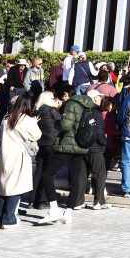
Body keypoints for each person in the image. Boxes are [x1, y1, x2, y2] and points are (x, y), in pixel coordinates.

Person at [37, 88, 93, 224]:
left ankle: (54, 208)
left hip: (67, 145)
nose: (59, 102)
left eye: (59, 98)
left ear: (66, 94)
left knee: (46, 174)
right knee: (74, 179)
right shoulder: (87, 105)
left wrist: (55, 123)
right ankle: (68, 212)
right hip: (81, 145)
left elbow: (66, 126)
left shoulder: (71, 104)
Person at [0, 94, 41, 229]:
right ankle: (8, 219)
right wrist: (34, 123)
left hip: (6, 155)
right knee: (16, 188)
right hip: (19, 156)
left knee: (4, 189)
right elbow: (37, 134)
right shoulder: (25, 119)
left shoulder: (6, 118)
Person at [30, 91, 61, 210]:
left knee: (38, 172)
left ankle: (32, 200)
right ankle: (44, 200)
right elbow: (61, 124)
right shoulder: (52, 110)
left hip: (40, 143)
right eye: (53, 98)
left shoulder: (36, 111)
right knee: (49, 173)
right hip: (52, 143)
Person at [80, 89, 110, 209]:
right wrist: (104, 143)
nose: (101, 99)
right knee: (99, 175)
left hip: (83, 146)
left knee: (82, 175)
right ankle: (98, 202)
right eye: (99, 97)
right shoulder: (97, 112)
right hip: (96, 148)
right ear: (95, 99)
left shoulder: (82, 110)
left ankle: (78, 202)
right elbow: (100, 132)